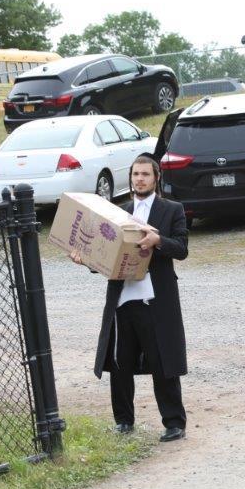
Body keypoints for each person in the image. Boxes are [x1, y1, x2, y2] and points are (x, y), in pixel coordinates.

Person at [70, 155, 189, 442]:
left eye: (145, 174)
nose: (139, 179)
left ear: (155, 178)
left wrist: (157, 241)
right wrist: (85, 260)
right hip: (123, 300)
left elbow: (182, 248)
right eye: (135, 174)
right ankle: (124, 420)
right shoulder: (118, 212)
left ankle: (174, 423)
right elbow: (105, 254)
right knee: (119, 362)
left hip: (155, 300)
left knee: (162, 362)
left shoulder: (172, 210)